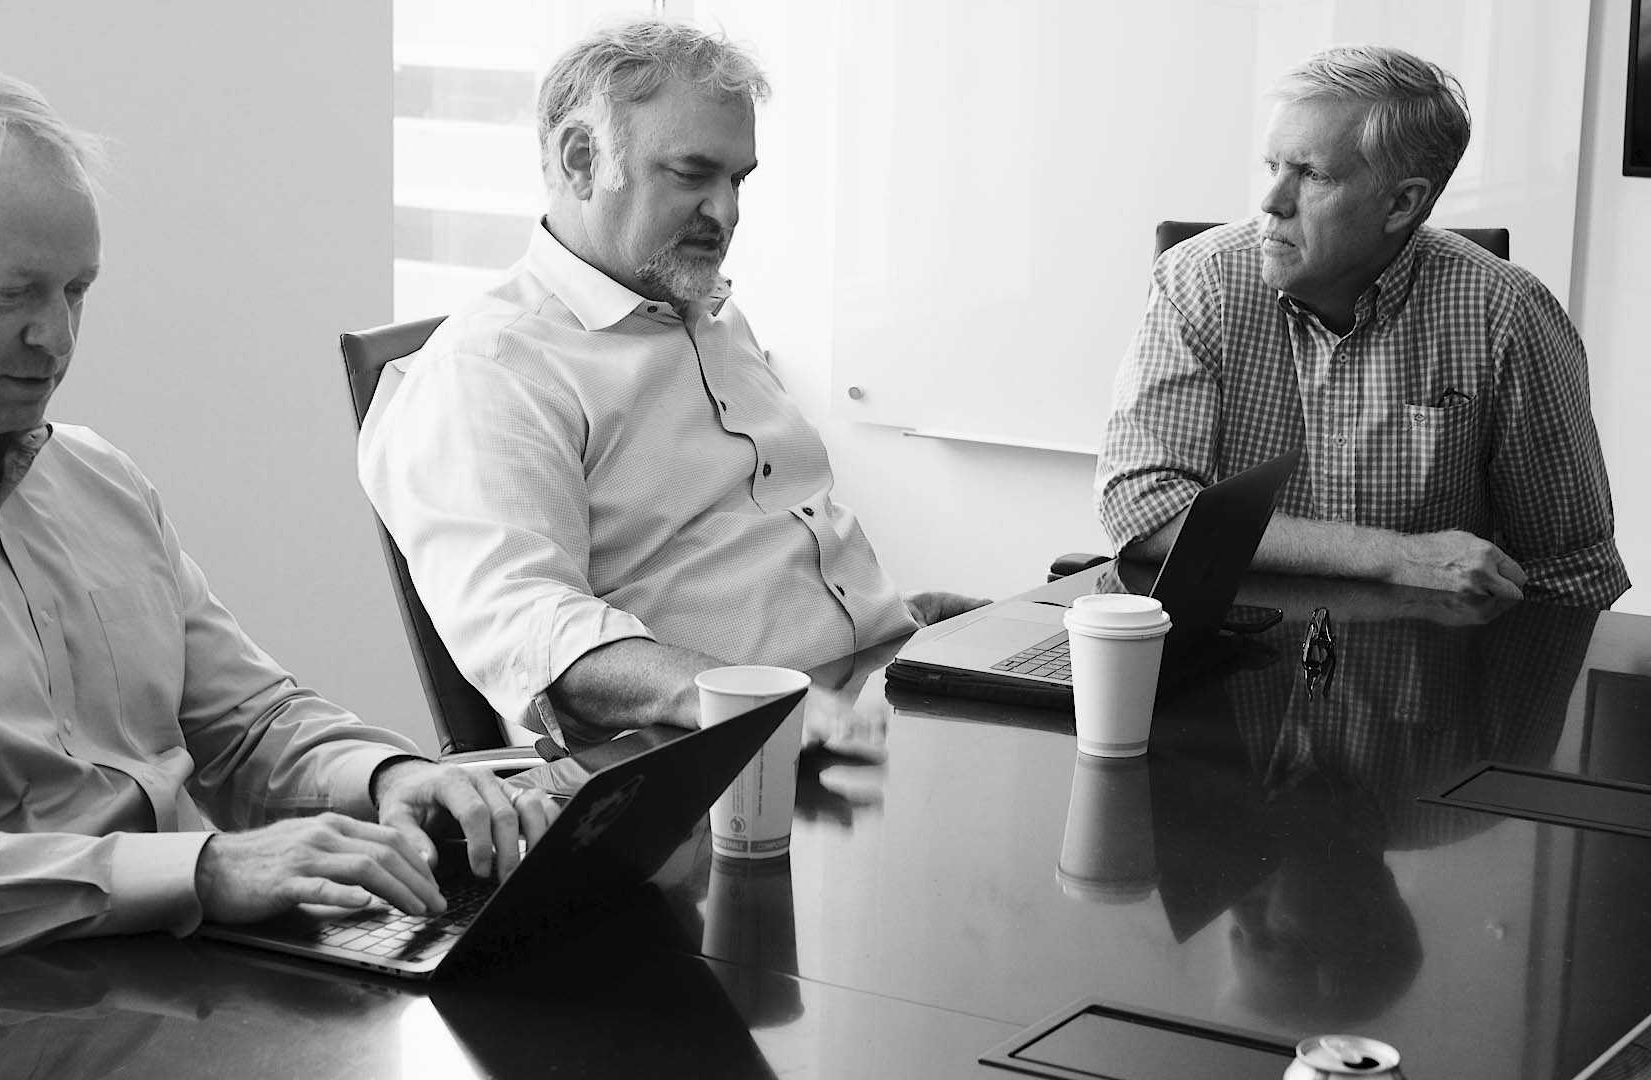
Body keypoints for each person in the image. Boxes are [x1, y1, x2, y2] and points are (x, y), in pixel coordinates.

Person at [0, 68, 553, 985]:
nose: (57, 337)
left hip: (179, 978)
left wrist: (387, 778)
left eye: (77, 291)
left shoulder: (96, 480)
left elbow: (249, 720)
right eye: (13, 295)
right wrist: (203, 869)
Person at [361, 19, 981, 751]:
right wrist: (744, 699)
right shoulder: (491, 370)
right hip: (710, 764)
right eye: (692, 175)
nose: (727, 212)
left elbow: (736, 553)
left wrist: (894, 623)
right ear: (582, 158)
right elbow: (529, 628)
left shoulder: (711, 315)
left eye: (738, 179)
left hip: (858, 704)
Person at [1096, 45, 1628, 609]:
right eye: (1274, 167)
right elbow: (1140, 506)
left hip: (1425, 675)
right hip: (1233, 665)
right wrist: (1396, 557)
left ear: (1402, 204)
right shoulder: (1202, 280)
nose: (1270, 203)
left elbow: (1571, 572)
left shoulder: (1507, 314)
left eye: (1312, 175)